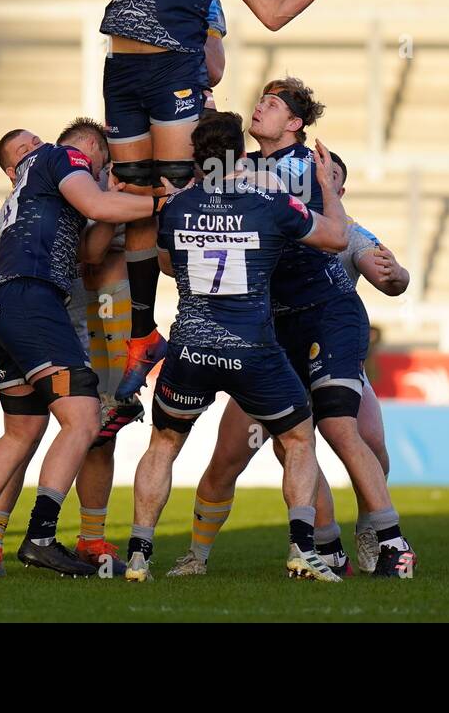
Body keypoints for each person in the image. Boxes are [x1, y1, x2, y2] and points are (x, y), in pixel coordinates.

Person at [82, 0, 390, 400]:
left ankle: (211, 326)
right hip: (121, 68)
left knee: (171, 194)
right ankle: (143, 332)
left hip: (177, 70)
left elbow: (272, 12)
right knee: (134, 199)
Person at [121, 112, 348, 582]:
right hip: (253, 350)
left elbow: (166, 264)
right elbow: (336, 238)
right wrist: (326, 186)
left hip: (190, 348)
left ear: (194, 156)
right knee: (299, 438)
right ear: (240, 154)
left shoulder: (177, 207)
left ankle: (140, 555)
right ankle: (303, 551)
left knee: (163, 444)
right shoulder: (269, 200)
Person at [167, 150, 409, 576]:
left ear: (338, 188)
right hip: (266, 350)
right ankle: (207, 554)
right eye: (312, 174)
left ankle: (373, 528)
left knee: (364, 438)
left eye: (328, 176)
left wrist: (394, 275)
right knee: (231, 456)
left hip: (327, 345)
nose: (317, 180)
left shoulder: (346, 230)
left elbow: (387, 273)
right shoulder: (266, 212)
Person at [0, 122, 164, 578]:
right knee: (83, 419)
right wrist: (167, 201)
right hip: (34, 305)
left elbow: (83, 240)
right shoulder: (59, 159)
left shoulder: (26, 189)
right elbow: (98, 203)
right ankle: (41, 537)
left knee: (21, 431)